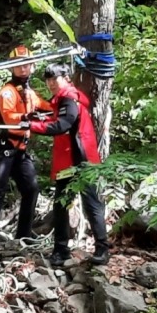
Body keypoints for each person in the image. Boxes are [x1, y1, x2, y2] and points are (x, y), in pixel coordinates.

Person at [27, 63, 110, 266]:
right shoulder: (62, 99)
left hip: (81, 162)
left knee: (91, 206)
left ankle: (101, 249)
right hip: (70, 161)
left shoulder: (69, 98)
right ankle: (61, 250)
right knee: (61, 206)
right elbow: (56, 118)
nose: (51, 83)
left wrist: (31, 126)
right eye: (48, 80)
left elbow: (62, 125)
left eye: (55, 79)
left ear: (66, 78)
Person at [0, 45, 53, 247]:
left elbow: (45, 107)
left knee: (31, 188)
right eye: (19, 65)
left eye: (27, 65)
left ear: (32, 66)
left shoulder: (29, 93)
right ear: (12, 68)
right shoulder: (7, 92)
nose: (23, 69)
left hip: (21, 151)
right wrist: (26, 117)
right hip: (4, 149)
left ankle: (24, 232)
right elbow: (9, 117)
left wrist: (61, 105)